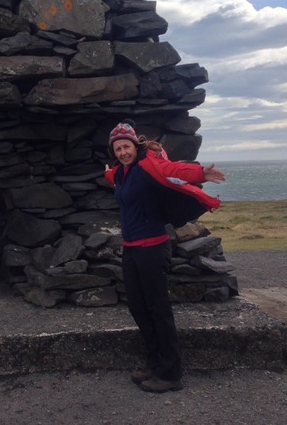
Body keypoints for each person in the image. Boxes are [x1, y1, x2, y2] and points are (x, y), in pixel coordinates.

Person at [104, 121, 225, 393]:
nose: (123, 152)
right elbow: (113, 179)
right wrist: (108, 174)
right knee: (138, 307)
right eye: (118, 149)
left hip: (153, 248)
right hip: (131, 249)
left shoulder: (147, 166)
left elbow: (172, 170)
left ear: (135, 145)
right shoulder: (121, 173)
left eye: (126, 147)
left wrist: (200, 173)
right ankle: (154, 363)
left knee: (158, 309)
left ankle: (170, 374)